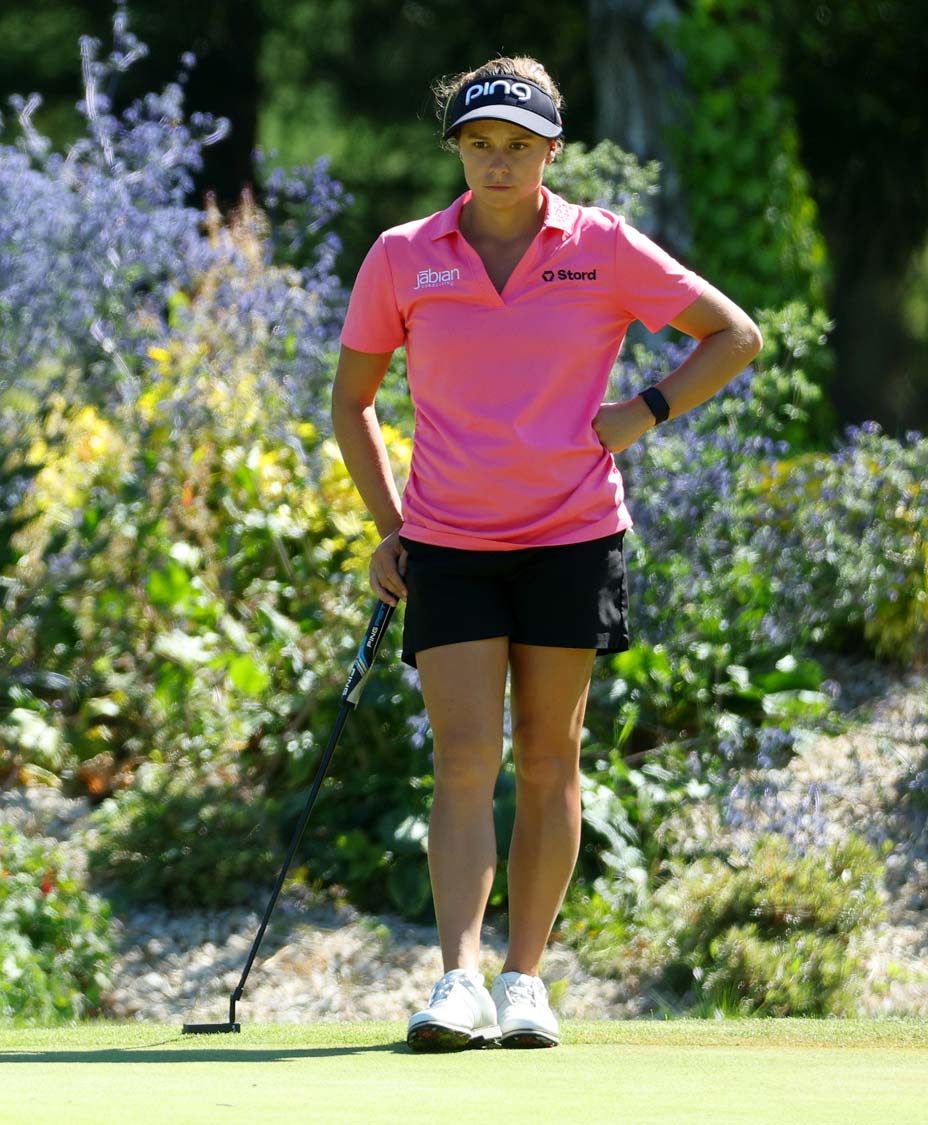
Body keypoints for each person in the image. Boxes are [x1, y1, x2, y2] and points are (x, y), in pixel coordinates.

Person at [329, 56, 762, 1051]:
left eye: (516, 146)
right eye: (478, 143)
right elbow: (350, 401)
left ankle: (524, 981)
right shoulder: (403, 254)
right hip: (446, 540)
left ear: (548, 153)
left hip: (571, 535)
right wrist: (386, 525)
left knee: (548, 755)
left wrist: (637, 413)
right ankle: (457, 982)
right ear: (457, 149)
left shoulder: (599, 246)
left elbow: (730, 336)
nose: (495, 160)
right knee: (461, 757)